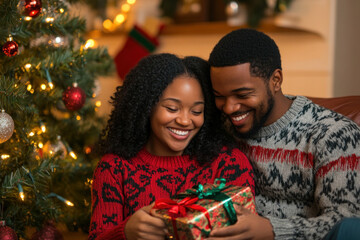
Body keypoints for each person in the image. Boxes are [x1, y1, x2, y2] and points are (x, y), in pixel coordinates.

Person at [206, 28, 360, 239]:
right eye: (219, 96)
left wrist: (271, 230)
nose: (230, 108)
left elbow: (345, 222)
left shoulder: (334, 134)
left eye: (242, 94)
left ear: (276, 80)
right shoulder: (222, 125)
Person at [88, 53, 255, 240]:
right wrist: (125, 232)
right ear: (147, 107)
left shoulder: (228, 162)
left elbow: (246, 230)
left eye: (196, 111)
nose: (185, 121)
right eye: (172, 108)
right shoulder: (114, 169)